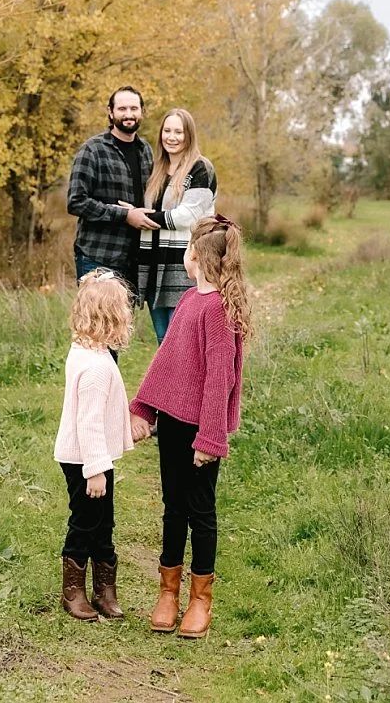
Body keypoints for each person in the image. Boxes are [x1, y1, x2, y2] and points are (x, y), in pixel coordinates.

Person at [129, 216, 251, 640]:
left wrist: (211, 437)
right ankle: (168, 592)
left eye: (187, 248)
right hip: (174, 425)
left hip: (202, 431)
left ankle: (201, 598)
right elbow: (168, 362)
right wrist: (144, 407)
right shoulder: (187, 302)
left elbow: (221, 378)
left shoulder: (217, 311)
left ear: (195, 257)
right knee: (172, 507)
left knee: (201, 511)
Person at [53, 269, 136, 622]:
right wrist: (96, 472)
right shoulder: (97, 367)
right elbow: (88, 424)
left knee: (104, 524)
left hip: (92, 459)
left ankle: (105, 590)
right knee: (85, 523)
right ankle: (73, 591)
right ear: (112, 318)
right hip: (87, 461)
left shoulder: (88, 352)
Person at [126, 109, 216, 340]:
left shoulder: (200, 168)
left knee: (185, 343)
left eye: (179, 131)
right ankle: (169, 378)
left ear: (189, 135)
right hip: (155, 266)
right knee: (163, 342)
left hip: (185, 265)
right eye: (167, 131)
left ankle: (190, 378)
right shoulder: (155, 170)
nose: (172, 137)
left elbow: (188, 216)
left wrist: (142, 218)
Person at [67, 87, 159, 290]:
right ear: (110, 112)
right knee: (96, 321)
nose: (129, 114)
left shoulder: (146, 151)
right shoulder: (92, 150)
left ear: (142, 111)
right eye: (122, 108)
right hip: (98, 256)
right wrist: (124, 215)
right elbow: (76, 201)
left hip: (133, 258)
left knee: (124, 321)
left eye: (134, 108)